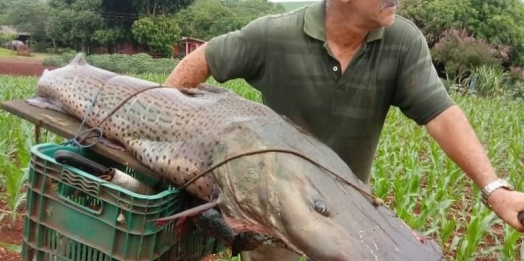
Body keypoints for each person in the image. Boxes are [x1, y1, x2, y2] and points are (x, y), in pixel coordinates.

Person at [164, 0, 524, 254]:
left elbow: (442, 114)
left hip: (347, 212)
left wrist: (494, 189)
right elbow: (205, 58)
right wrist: (168, 114)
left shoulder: (402, 42)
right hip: (275, 208)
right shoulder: (275, 35)